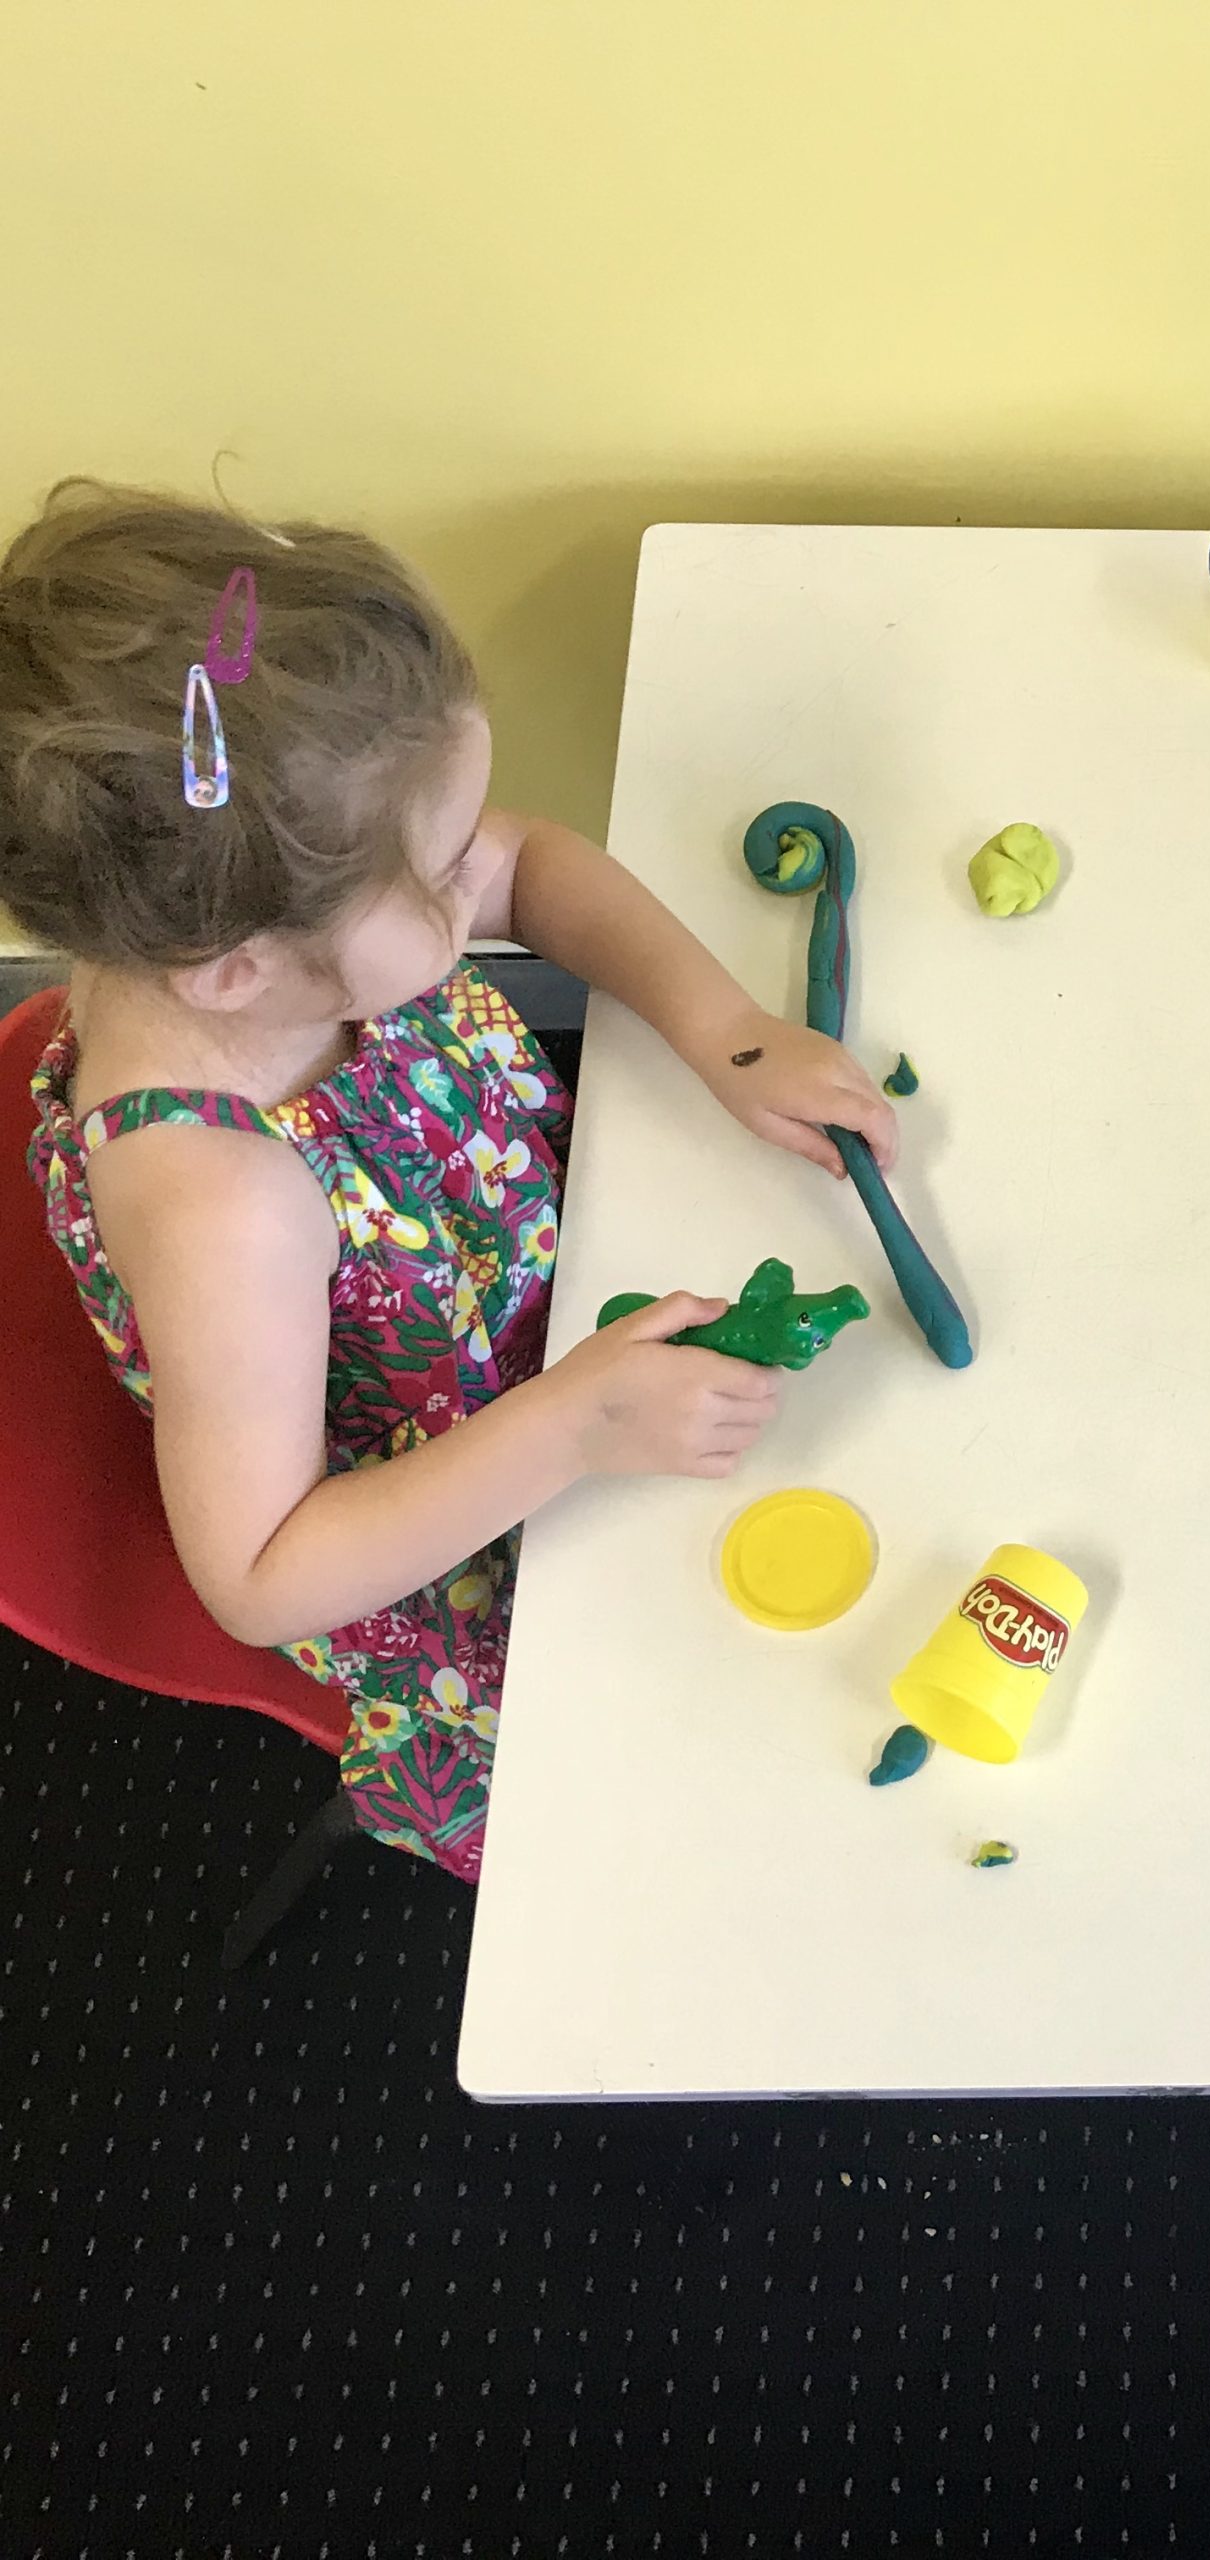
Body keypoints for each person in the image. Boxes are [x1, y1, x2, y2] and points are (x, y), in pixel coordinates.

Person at [0, 483, 900, 1881]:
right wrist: (574, 1430)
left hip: (550, 1296)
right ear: (237, 970)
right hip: (463, 1530)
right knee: (760, 1779)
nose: (474, 867)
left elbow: (533, 866)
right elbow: (262, 1576)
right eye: (436, 875)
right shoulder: (222, 1203)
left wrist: (733, 1034)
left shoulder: (280, 922)